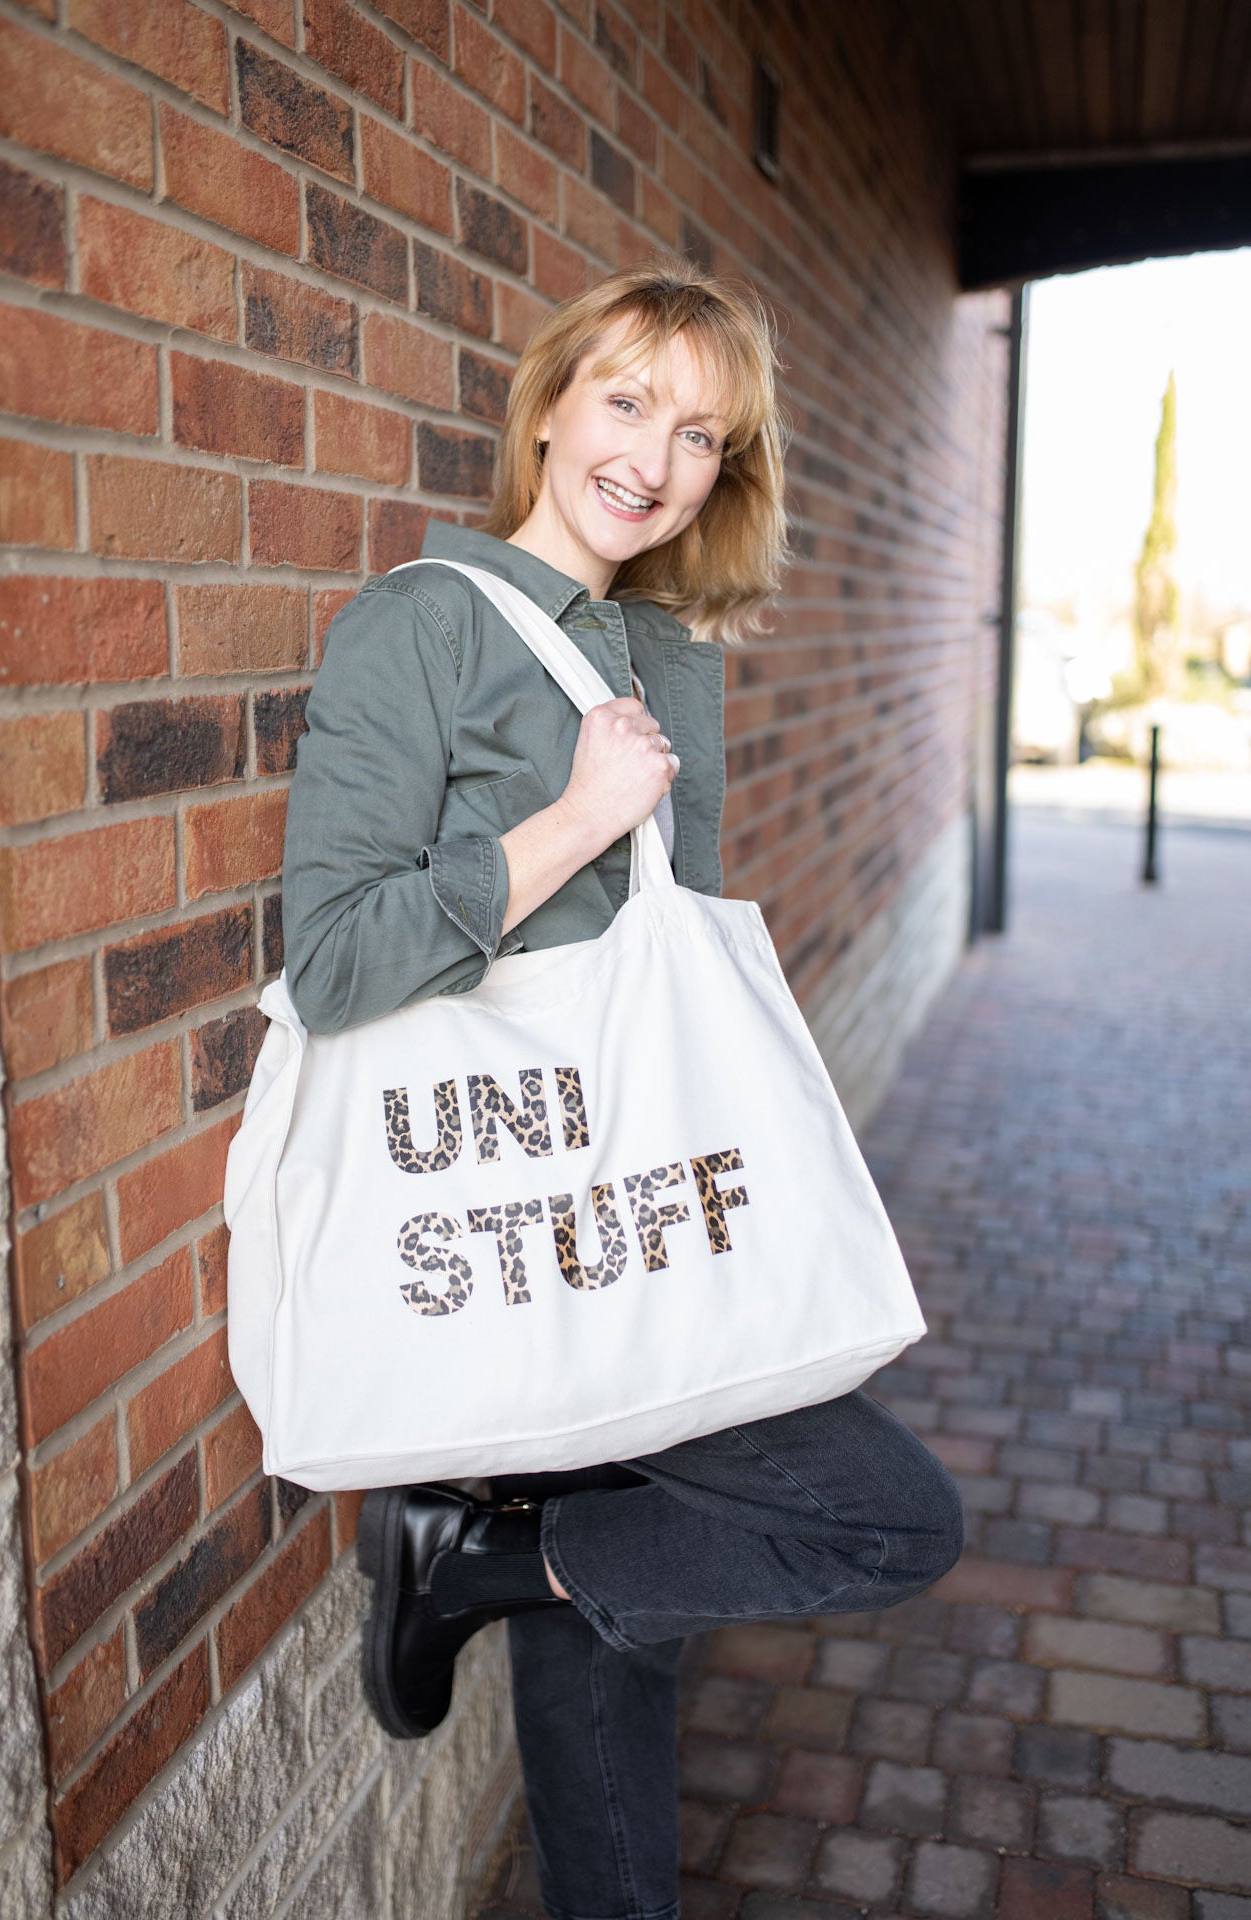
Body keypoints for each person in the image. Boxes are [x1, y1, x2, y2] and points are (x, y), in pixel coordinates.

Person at [280, 256, 963, 1920]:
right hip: (506, 1218)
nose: (655, 458)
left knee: (619, 1637)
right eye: (629, 399)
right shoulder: (420, 628)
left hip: (645, 1222)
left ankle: (498, 1564)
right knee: (891, 1517)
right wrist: (576, 822)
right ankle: (493, 1562)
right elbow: (337, 960)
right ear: (552, 403)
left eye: (704, 435)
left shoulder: (662, 658)